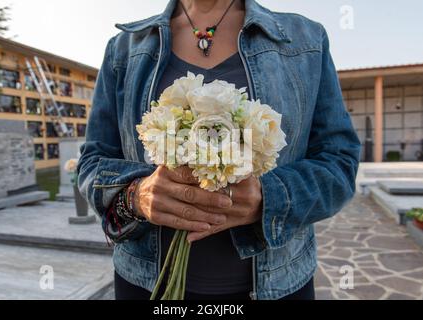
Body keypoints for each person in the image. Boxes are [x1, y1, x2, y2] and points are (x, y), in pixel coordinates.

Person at [77, 0, 361, 300]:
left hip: (279, 286)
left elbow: (339, 163)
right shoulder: (123, 50)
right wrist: (138, 195)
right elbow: (91, 164)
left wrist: (271, 198)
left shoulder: (306, 41)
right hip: (147, 287)